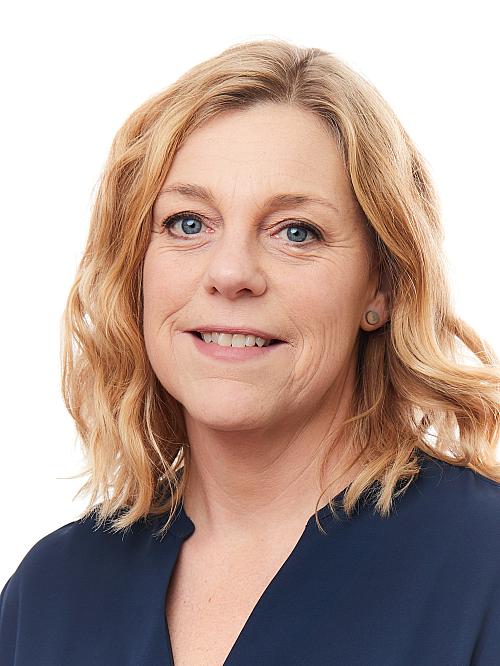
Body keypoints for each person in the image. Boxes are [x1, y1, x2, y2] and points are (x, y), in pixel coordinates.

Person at [1, 38, 499, 666]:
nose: (231, 272)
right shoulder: (52, 593)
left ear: (381, 285)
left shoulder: (484, 565)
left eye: (296, 232)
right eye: (188, 223)